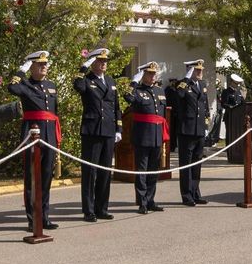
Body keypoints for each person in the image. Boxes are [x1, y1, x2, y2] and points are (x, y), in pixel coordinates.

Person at [8, 49, 61, 229]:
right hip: (32, 134)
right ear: (31, 66)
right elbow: (11, 87)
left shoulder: (51, 85)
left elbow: (54, 111)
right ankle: (33, 219)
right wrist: (21, 71)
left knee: (46, 178)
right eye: (40, 64)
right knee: (32, 178)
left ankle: (44, 217)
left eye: (45, 64)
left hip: (49, 135)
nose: (44, 66)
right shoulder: (24, 84)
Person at [72, 47, 120, 222]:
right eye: (100, 61)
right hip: (92, 131)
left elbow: (116, 107)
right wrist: (83, 68)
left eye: (105, 61)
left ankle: (102, 208)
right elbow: (77, 86)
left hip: (108, 130)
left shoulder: (110, 81)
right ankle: (89, 210)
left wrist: (118, 129)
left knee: (105, 172)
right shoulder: (86, 80)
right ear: (93, 63)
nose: (103, 63)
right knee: (90, 172)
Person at [124, 61, 169, 214]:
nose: (152, 76)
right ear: (142, 75)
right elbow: (127, 97)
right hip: (142, 136)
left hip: (156, 136)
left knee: (153, 170)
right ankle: (142, 202)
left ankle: (150, 200)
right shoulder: (137, 90)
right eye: (149, 73)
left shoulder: (159, 90)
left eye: (154, 73)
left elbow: (162, 113)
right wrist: (133, 82)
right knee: (142, 171)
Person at [167, 58, 210, 206]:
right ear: (190, 71)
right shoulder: (182, 85)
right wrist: (186, 79)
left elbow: (205, 106)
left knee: (197, 163)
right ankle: (186, 195)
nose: (200, 72)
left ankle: (196, 193)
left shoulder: (202, 85)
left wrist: (206, 126)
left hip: (199, 129)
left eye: (201, 70)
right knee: (186, 164)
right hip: (187, 130)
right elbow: (179, 95)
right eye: (196, 70)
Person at [211, 73, 244, 145]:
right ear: (231, 82)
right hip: (230, 116)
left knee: (237, 133)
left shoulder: (238, 92)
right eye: (236, 83)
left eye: (238, 84)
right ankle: (229, 147)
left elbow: (242, 103)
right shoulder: (226, 92)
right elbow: (223, 104)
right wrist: (231, 107)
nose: (237, 85)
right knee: (230, 133)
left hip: (238, 117)